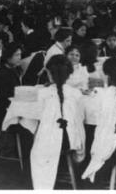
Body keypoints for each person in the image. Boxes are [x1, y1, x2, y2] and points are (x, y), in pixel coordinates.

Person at [30, 55, 85, 189]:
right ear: (69, 74)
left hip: (50, 142)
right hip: (71, 141)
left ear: (49, 73)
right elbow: (80, 119)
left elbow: (36, 117)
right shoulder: (76, 93)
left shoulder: (43, 93)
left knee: (36, 141)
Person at [0, 43, 23, 130]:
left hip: (9, 107)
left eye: (20, 54)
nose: (20, 57)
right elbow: (5, 97)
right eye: (17, 55)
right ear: (8, 57)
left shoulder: (12, 70)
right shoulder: (2, 74)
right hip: (3, 112)